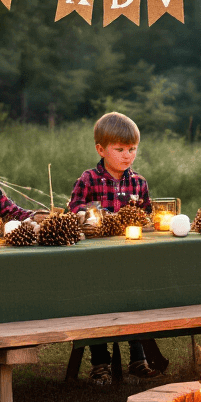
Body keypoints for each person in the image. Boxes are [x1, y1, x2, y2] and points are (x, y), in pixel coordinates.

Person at [67, 112, 162, 385]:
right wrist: (100, 216)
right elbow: (74, 209)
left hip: (130, 258)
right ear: (101, 149)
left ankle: (138, 358)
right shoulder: (88, 179)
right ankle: (100, 362)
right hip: (97, 259)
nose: (127, 155)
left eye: (132, 149)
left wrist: (148, 222)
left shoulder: (138, 182)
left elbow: (147, 214)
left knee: (135, 301)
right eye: (119, 149)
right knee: (98, 305)